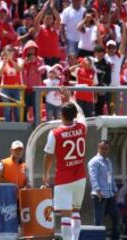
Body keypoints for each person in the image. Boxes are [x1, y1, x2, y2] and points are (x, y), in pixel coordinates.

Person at [43, 87, 87, 240]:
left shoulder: (55, 133)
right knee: (76, 211)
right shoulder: (82, 127)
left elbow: (48, 156)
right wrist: (71, 99)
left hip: (64, 178)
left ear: (61, 115)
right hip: (80, 177)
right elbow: (81, 113)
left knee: (65, 214)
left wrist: (46, 174)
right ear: (74, 115)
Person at [88, 140, 120, 240]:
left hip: (109, 195)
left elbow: (110, 177)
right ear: (98, 149)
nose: (104, 151)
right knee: (99, 221)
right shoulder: (94, 161)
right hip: (99, 196)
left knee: (117, 218)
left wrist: (114, 189)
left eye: (106, 148)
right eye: (102, 148)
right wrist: (98, 190)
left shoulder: (108, 162)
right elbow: (93, 177)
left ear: (109, 149)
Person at [0, 45, 23, 122]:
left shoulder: (19, 60)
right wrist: (5, 62)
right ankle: (8, 124)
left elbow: (19, 69)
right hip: (5, 88)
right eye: (7, 50)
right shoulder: (1, 62)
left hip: (16, 88)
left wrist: (11, 60)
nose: (9, 52)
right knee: (7, 109)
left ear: (14, 52)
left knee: (17, 109)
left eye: (11, 50)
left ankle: (18, 125)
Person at [21, 40, 44, 121]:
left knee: (36, 109)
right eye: (29, 49)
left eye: (33, 49)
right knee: (24, 109)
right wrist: (26, 63)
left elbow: (42, 71)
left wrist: (35, 63)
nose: (31, 50)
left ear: (35, 50)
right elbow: (19, 70)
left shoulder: (40, 60)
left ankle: (37, 125)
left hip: (36, 90)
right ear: (25, 50)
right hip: (25, 89)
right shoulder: (22, 60)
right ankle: (23, 124)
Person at [34, 0, 61, 66]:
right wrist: (43, 9)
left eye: (50, 19)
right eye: (47, 18)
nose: (48, 20)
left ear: (52, 20)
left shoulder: (55, 29)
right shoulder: (40, 28)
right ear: (43, 20)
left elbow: (58, 19)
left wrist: (52, 8)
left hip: (55, 58)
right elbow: (36, 21)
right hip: (42, 58)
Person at [93, 45, 112, 116]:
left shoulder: (107, 65)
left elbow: (108, 80)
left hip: (100, 91)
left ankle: (98, 126)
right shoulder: (91, 62)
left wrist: (101, 89)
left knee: (99, 109)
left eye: (101, 53)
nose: (100, 55)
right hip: (90, 90)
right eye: (98, 53)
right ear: (95, 53)